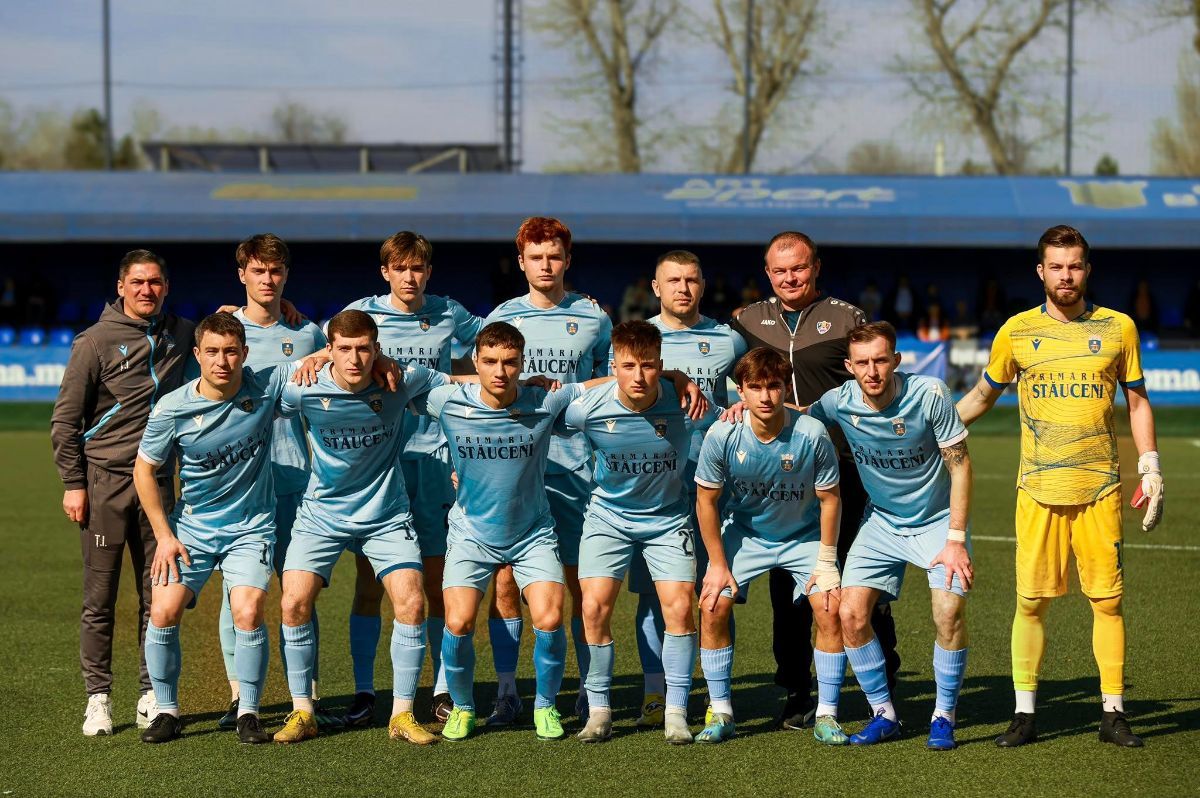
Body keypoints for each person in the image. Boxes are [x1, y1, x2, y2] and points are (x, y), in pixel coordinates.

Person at [957, 225, 1163, 749]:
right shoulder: (1016, 331)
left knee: (1108, 603)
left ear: (1087, 270)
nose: (1065, 275)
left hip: (1100, 489)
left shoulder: (1118, 328)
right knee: (1030, 604)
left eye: (1074, 266)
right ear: (1040, 271)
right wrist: (935, 430)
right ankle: (1024, 714)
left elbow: (1137, 401)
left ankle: (1113, 713)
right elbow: (982, 396)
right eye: (1056, 266)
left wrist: (1151, 465)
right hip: (1038, 491)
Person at [729, 231, 899, 728]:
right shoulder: (745, 321)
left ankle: (881, 682)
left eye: (799, 268)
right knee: (790, 591)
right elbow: (722, 373)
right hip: (779, 478)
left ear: (816, 267)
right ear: (767, 273)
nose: (790, 278)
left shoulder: (847, 318)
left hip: (847, 471)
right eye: (780, 271)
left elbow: (875, 381)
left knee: (860, 581)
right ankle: (798, 689)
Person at [272, 310, 456, 746]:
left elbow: (462, 386)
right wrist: (315, 357)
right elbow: (251, 387)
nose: (354, 359)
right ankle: (303, 712)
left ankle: (402, 715)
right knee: (293, 602)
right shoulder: (303, 384)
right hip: (321, 514)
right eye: (344, 349)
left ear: (377, 349)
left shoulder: (402, 379)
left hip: (386, 516)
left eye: (363, 349)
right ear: (330, 349)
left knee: (411, 602)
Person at [339, 232, 483, 727]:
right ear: (385, 272)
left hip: (438, 460)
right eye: (399, 268)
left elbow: (497, 337)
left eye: (417, 268)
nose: (409, 277)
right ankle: (364, 691)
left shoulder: (448, 312)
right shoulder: (362, 313)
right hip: (380, 466)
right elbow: (323, 348)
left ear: (428, 271)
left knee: (438, 580)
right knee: (370, 583)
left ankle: (441, 690)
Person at [809, 321, 973, 750]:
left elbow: (960, 466)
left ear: (896, 360)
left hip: (937, 521)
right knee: (850, 614)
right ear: (849, 366)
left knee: (948, 612)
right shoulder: (838, 401)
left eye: (881, 360)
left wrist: (956, 539)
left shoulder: (930, 394)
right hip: (881, 522)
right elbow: (797, 419)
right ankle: (884, 714)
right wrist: (741, 409)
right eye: (862, 363)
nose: (872, 371)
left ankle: (944, 715)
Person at [50, 249, 195, 736]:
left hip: (158, 484)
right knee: (100, 600)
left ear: (166, 287)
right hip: (105, 484)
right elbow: (65, 421)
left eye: (155, 282)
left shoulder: (182, 333)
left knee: (158, 596)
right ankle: (98, 697)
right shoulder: (94, 341)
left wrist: (279, 311)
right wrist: (74, 484)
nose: (146, 290)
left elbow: (234, 332)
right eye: (137, 282)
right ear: (121, 287)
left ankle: (151, 692)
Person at [134, 312, 292, 744]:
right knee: (163, 612)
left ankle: (248, 711)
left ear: (245, 353)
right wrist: (165, 536)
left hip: (251, 529)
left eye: (231, 352)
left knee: (248, 611)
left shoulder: (265, 386)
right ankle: (166, 710)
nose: (222, 361)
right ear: (198, 354)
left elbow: (325, 360)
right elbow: (144, 470)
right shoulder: (173, 408)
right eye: (212, 352)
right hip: (192, 530)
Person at [427, 322, 588, 742]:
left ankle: (545, 706)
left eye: (510, 363)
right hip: (471, 534)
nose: (500, 371)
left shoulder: (544, 400)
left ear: (523, 363)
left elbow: (603, 384)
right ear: (475, 362)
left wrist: (673, 376)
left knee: (549, 618)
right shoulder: (447, 400)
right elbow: (400, 379)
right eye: (491, 362)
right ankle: (463, 708)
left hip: (533, 533)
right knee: (458, 621)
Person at [481, 217, 612, 725]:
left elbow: (611, 381)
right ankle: (507, 691)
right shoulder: (502, 316)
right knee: (506, 581)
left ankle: (586, 690)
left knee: (582, 584)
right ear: (521, 262)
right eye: (535, 257)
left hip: (577, 468)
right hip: (515, 471)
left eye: (554, 256)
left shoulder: (593, 316)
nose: (545, 265)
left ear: (567, 259)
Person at [213, 234, 334, 731]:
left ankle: (306, 698)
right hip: (240, 485)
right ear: (242, 274)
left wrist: (324, 351)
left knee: (298, 592)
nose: (268, 279)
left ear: (286, 275)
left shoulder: (307, 334)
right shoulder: (225, 330)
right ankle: (240, 697)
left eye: (276, 270)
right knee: (238, 594)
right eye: (258, 270)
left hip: (295, 480)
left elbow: (338, 367)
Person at [565, 321, 706, 745]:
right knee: (593, 608)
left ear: (660, 365)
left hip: (667, 519)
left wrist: (684, 381)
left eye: (648, 366)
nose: (639, 376)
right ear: (614, 367)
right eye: (628, 366)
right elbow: (534, 418)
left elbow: (732, 418)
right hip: (608, 518)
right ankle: (599, 711)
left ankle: (675, 712)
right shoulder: (587, 407)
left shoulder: (685, 400)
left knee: (680, 608)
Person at [695, 347, 844, 745]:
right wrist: (716, 564)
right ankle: (721, 712)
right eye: (755, 387)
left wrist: (827, 561)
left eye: (774, 386)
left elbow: (830, 499)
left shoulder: (812, 433)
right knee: (712, 604)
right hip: (746, 533)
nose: (765, 396)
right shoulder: (723, 434)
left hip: (802, 536)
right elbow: (706, 501)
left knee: (830, 607)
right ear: (740, 391)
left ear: (786, 388)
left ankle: (827, 715)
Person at [625, 250, 746, 727]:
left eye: (691, 280)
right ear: (655, 288)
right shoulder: (638, 339)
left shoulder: (728, 339)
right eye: (673, 280)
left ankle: (718, 696)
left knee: (716, 593)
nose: (683, 288)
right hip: (654, 490)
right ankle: (657, 694)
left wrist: (739, 405)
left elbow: (751, 390)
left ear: (703, 285)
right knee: (655, 596)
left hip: (715, 489)